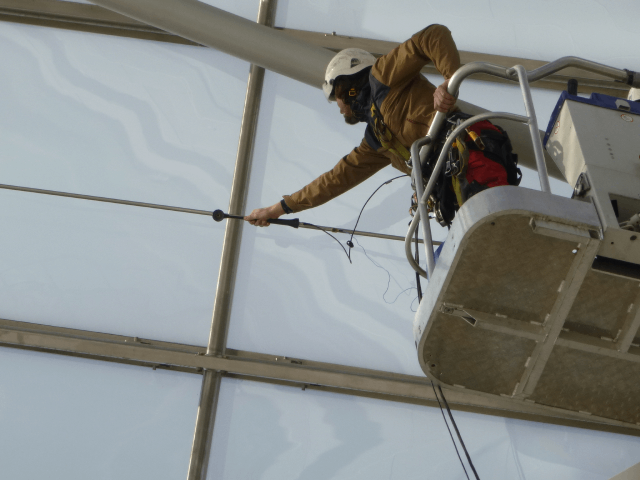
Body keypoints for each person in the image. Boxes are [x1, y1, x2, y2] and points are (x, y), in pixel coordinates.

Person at [244, 24, 462, 227]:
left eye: (335, 96)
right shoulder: (376, 141)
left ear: (344, 84)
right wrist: (278, 209)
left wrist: (449, 81)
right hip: (456, 186)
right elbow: (334, 181)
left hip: (465, 150)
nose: (337, 106)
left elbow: (433, 35)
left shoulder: (383, 75)